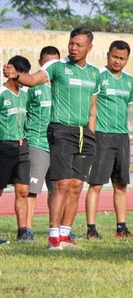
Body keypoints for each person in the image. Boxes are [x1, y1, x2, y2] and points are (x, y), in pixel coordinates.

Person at [3, 27, 100, 250]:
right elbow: (34, 79)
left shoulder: (94, 73)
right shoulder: (56, 66)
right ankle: (53, 236)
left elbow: (93, 107)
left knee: (77, 186)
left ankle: (65, 235)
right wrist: (17, 75)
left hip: (85, 133)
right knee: (62, 184)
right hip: (61, 131)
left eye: (79, 45)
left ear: (89, 47)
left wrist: (92, 132)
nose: (73, 48)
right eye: (71, 43)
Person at [85, 40, 133, 239]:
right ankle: (91, 229)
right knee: (96, 184)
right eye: (115, 57)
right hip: (102, 136)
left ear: (127, 60)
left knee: (121, 185)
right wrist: (92, 133)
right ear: (108, 55)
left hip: (122, 137)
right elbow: (92, 106)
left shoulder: (130, 81)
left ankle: (121, 228)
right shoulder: (98, 76)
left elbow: (126, 107)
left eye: (122, 58)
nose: (117, 61)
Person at [25, 46, 60, 240]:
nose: (51, 66)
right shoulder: (32, 86)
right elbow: (24, 112)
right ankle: (27, 227)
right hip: (37, 142)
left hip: (59, 144)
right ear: (40, 63)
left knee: (58, 190)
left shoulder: (62, 86)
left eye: (55, 63)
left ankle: (56, 228)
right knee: (32, 190)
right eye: (47, 63)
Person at [0, 55, 30, 242]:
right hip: (3, 146)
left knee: (23, 190)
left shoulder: (26, 94)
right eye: (22, 74)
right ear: (12, 72)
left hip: (23, 147)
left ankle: (23, 232)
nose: (24, 79)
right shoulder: (1, 93)